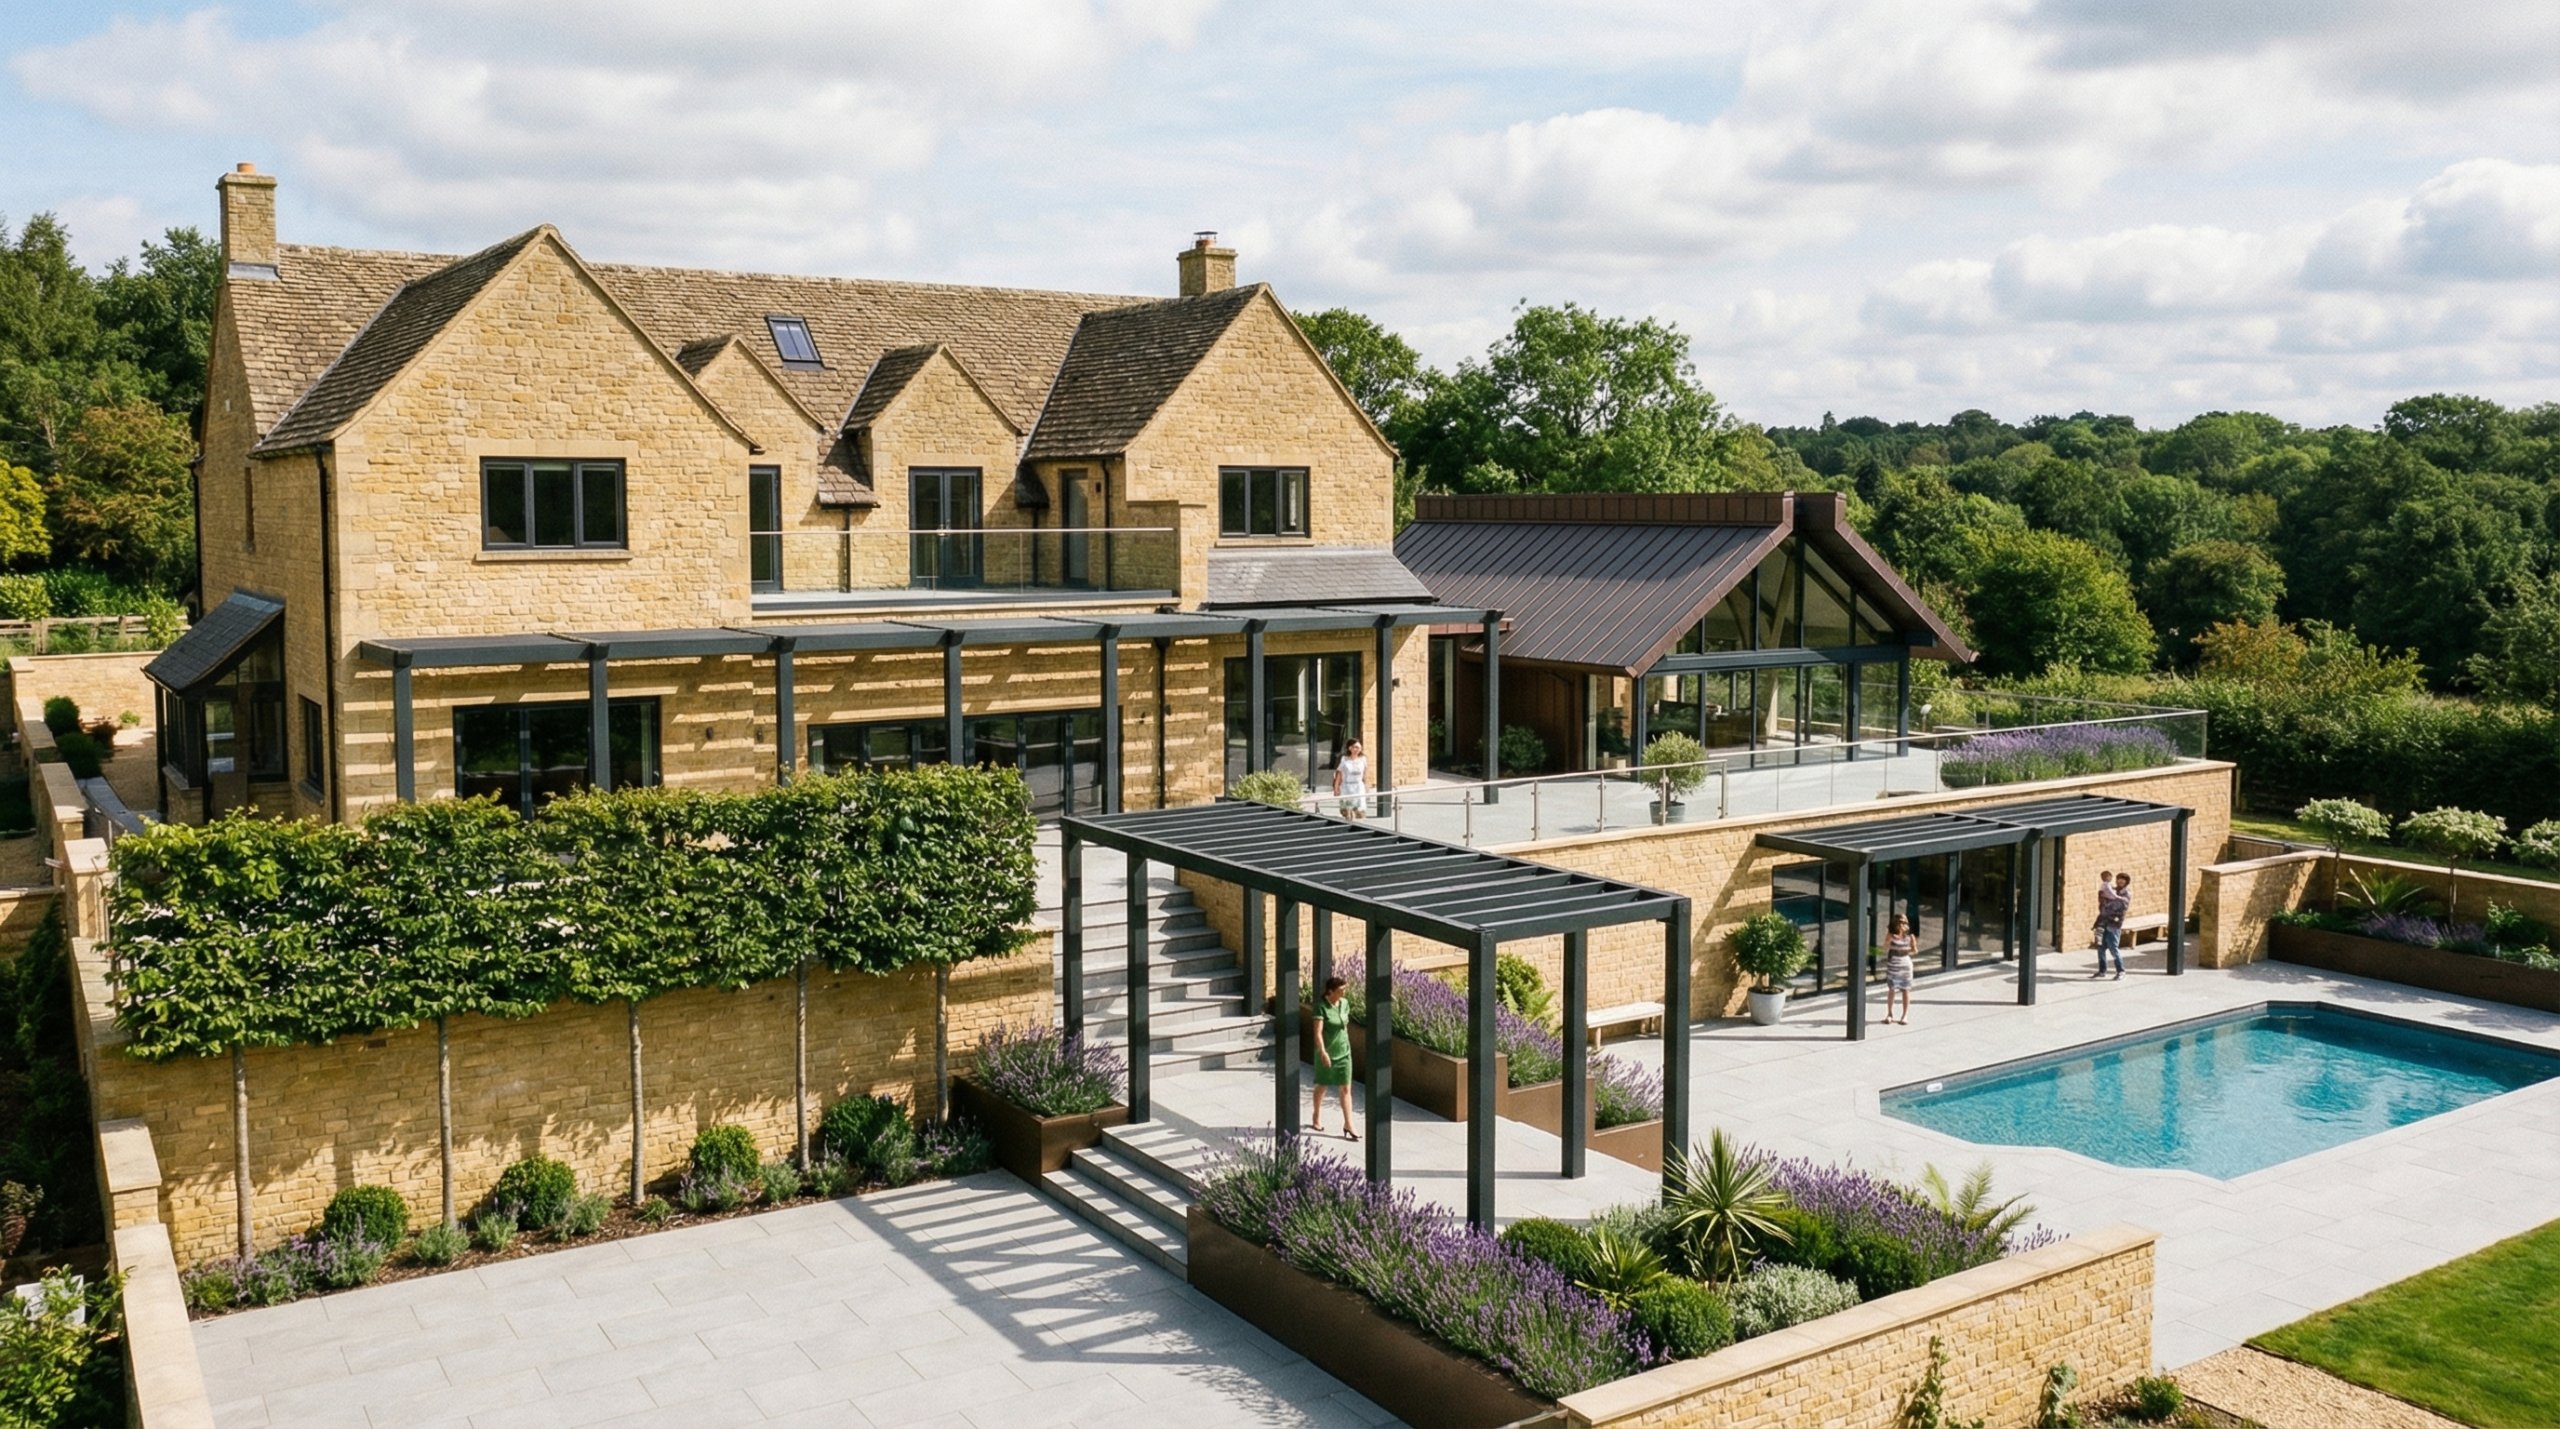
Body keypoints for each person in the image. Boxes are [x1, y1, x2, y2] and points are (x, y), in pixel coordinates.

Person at [1310, 975, 1357, 1137]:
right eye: (1341, 990)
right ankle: (1316, 1115)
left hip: (1344, 1052)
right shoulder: (1321, 1007)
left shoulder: (1344, 1004)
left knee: (1345, 1088)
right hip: (1327, 1053)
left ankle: (1349, 1124)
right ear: (1330, 991)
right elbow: (1318, 1033)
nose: (1344, 992)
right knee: (1322, 1085)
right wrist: (1323, 1052)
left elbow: (1344, 1027)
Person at [1883, 913, 1918, 1025]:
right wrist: (1890, 941)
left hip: (1905, 965)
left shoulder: (1910, 937)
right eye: (1899, 923)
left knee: (1906, 990)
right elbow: (1885, 947)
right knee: (1892, 989)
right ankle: (1889, 1014)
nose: (1901, 925)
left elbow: (1915, 951)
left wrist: (1908, 948)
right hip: (1893, 964)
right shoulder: (1891, 935)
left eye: (1903, 923)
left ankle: (1904, 1015)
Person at [2093, 871, 2129, 979]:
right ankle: (2102, 971)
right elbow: (2101, 902)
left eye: (2123, 879)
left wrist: (2107, 901)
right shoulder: (2110, 889)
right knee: (2100, 947)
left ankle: (2121, 971)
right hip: (2102, 922)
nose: (2120, 881)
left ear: (2126, 882)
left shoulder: (2126, 894)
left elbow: (2118, 906)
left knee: (2113, 948)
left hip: (2113, 924)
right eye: (2119, 878)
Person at [1333, 737, 1369, 819]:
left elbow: (1364, 774)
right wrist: (1336, 787)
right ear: (1350, 748)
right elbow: (1339, 774)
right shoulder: (1344, 759)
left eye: (1358, 747)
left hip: (1358, 787)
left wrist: (1366, 786)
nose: (1357, 749)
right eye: (1355, 747)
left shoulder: (1363, 759)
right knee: (1347, 811)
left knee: (1359, 811)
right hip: (1346, 787)